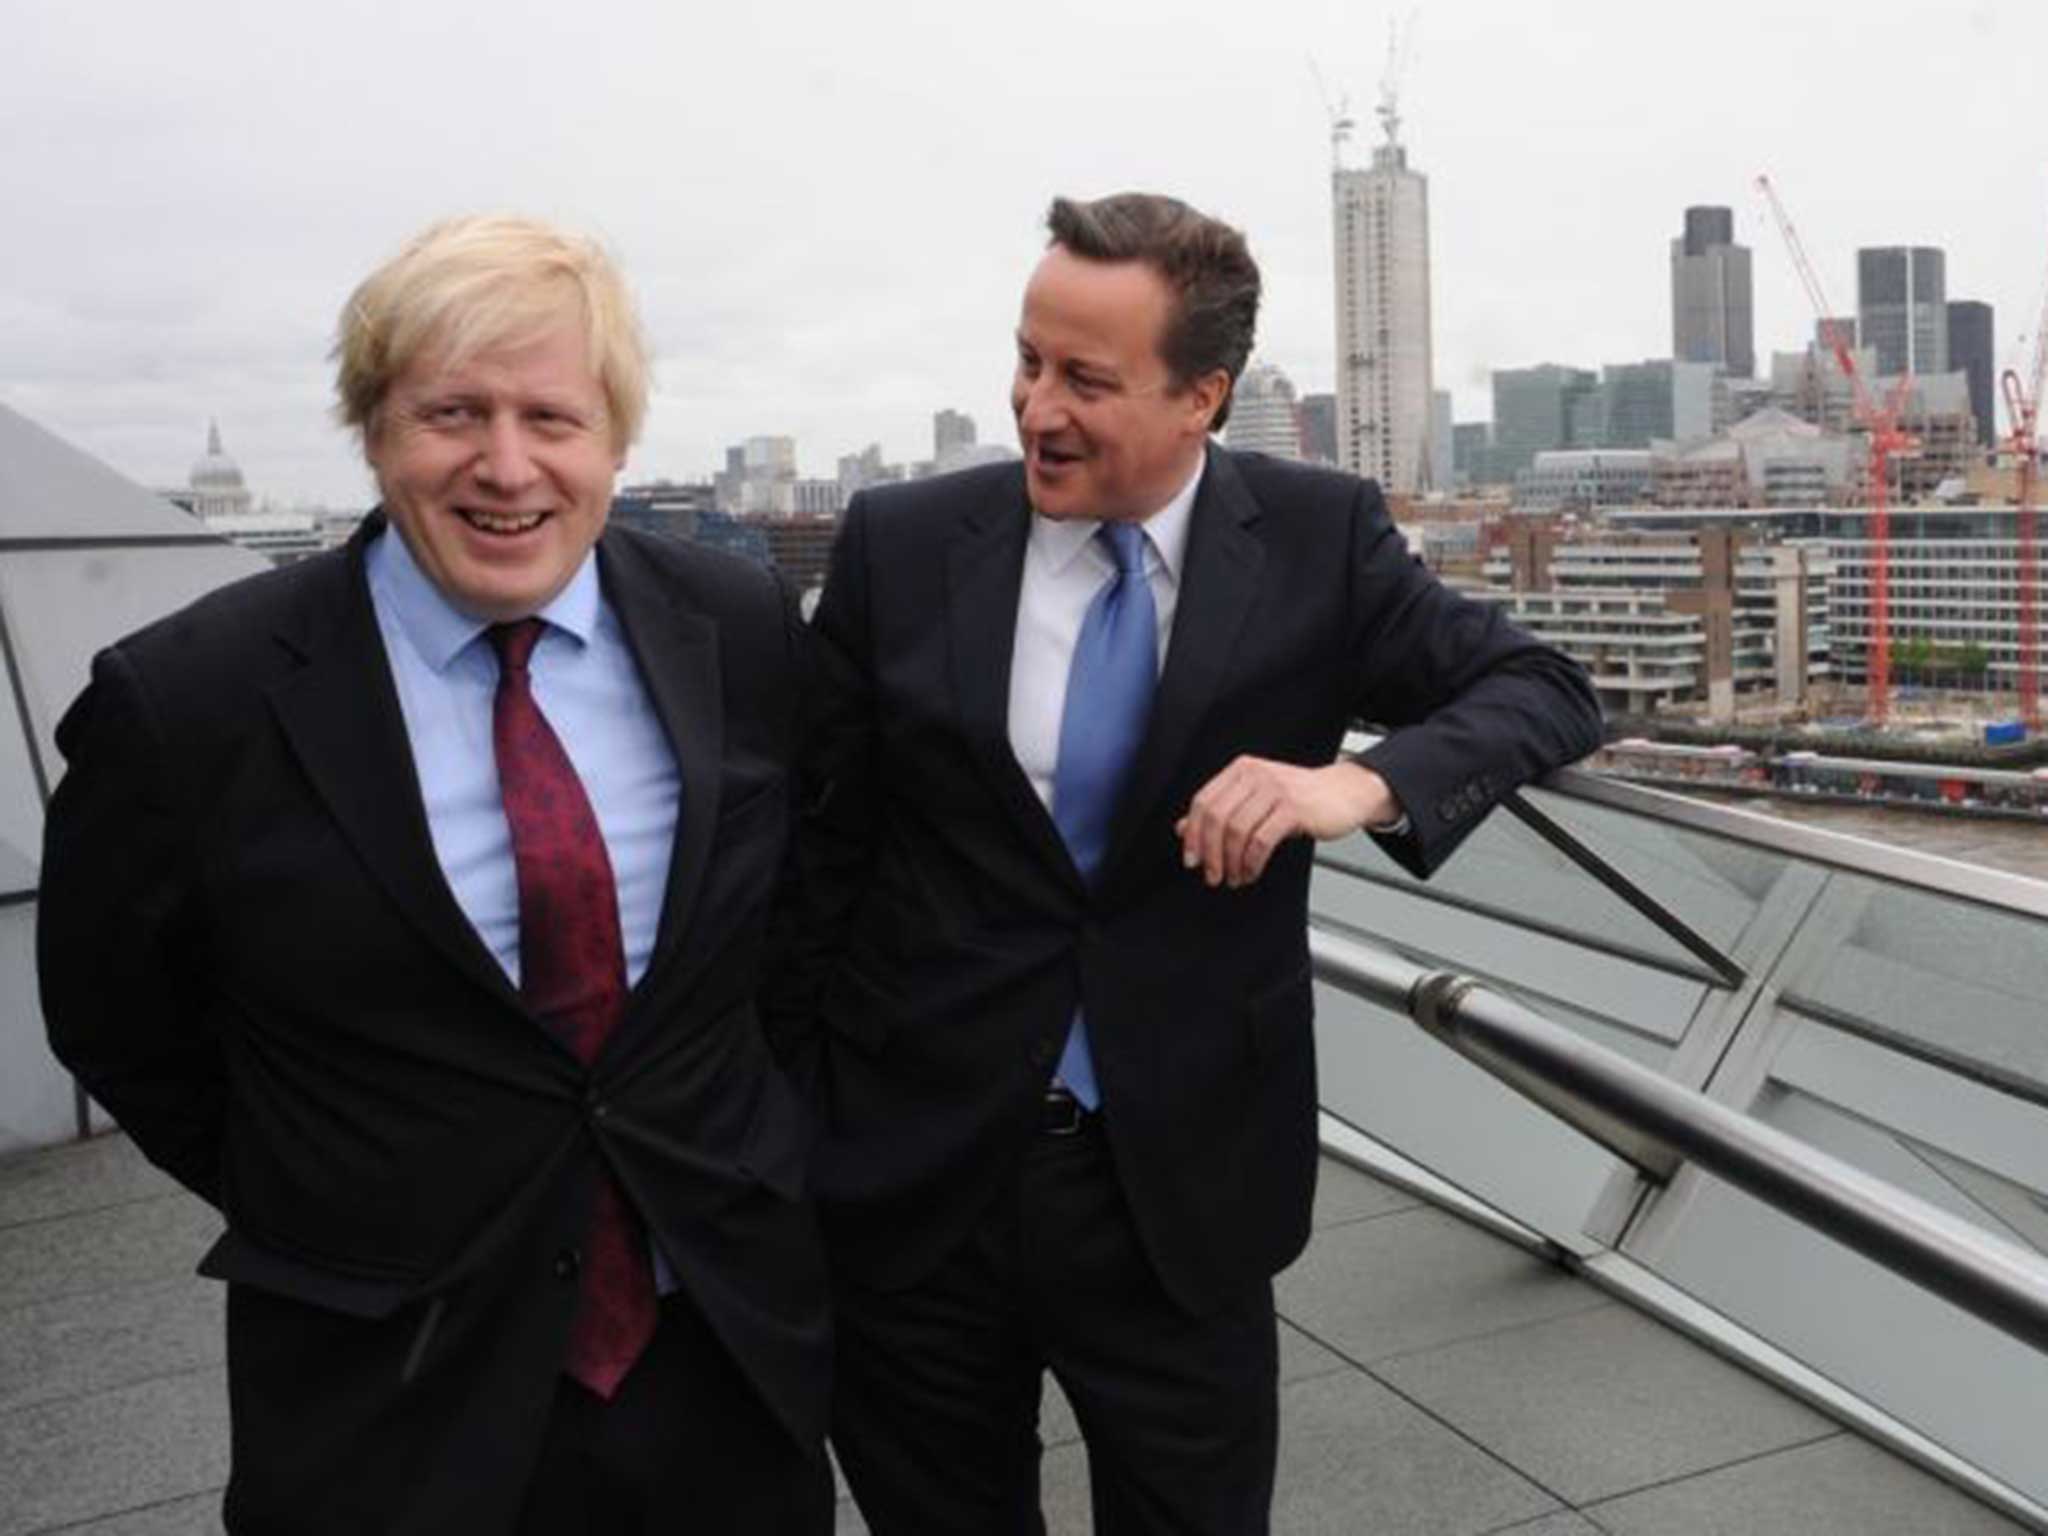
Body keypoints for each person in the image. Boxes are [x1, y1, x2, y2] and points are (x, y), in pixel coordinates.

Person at [774, 192, 1605, 1535]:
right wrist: (789, 1133)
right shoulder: (902, 543)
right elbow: (818, 859)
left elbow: (1545, 685)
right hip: (913, 1174)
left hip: (1182, 1187)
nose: (1038, 408)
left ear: (1203, 397)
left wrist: (1354, 782)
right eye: (1030, 360)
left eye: (1087, 380)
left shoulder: (1320, 540)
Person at [39, 215, 832, 1535]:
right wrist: (333, 1183)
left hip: (720, 1361)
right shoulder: (192, 702)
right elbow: (117, 1017)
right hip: (387, 1388)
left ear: (618, 442)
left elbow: (795, 935)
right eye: (451, 412)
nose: (505, 465)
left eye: (552, 417)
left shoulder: (738, 631)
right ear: (372, 430)